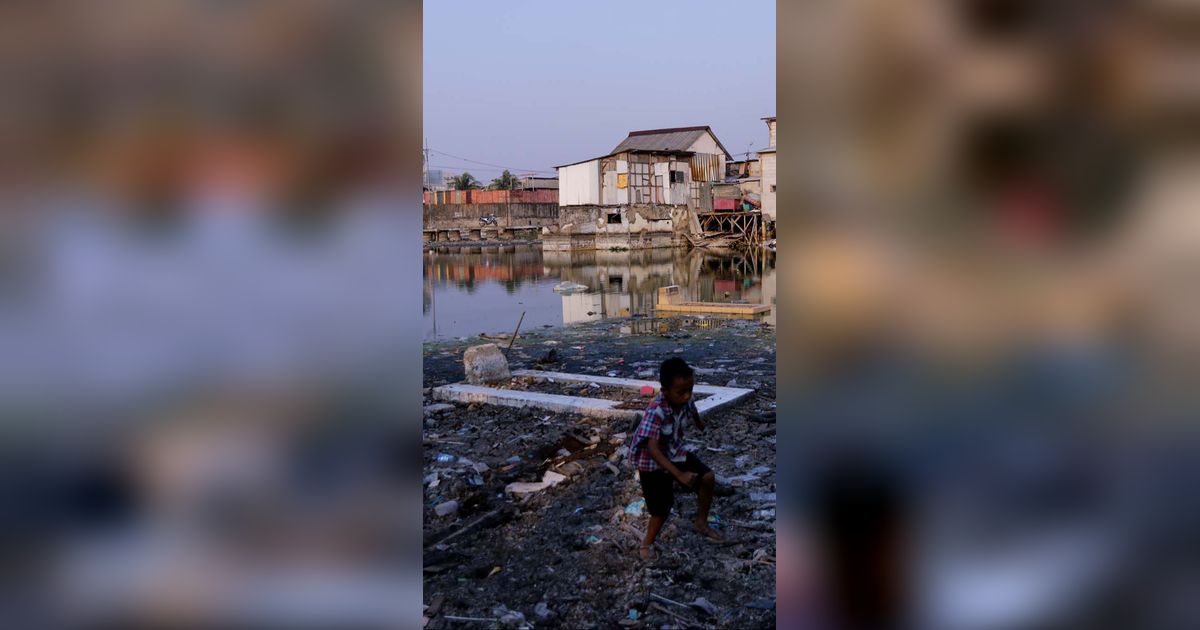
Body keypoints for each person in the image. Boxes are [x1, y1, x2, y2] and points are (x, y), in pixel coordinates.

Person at [629, 357, 722, 560]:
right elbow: (652, 448)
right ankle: (646, 543)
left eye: (690, 389)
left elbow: (692, 408)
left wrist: (699, 423)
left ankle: (701, 522)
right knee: (661, 509)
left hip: (674, 450)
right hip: (652, 462)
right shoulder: (656, 411)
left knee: (708, 477)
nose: (687, 395)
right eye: (681, 392)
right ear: (665, 391)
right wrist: (678, 475)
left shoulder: (685, 397)